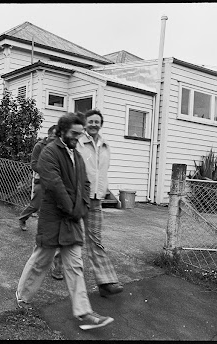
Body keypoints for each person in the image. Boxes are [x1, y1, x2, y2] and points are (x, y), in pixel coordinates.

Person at [15, 113, 114, 330]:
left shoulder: (76, 154)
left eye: (80, 134)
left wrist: (83, 206)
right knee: (40, 261)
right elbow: (55, 185)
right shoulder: (49, 152)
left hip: (71, 219)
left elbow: (85, 183)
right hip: (53, 219)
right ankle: (22, 297)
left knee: (75, 266)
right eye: (73, 134)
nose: (77, 138)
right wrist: (73, 209)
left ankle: (84, 313)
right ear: (62, 131)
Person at [77, 109, 123, 297]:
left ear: (101, 124)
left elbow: (102, 173)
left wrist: (106, 193)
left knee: (95, 241)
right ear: (85, 123)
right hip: (78, 198)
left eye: (97, 121)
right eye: (91, 121)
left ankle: (105, 283)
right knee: (69, 237)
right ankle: (56, 264)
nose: (94, 124)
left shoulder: (105, 146)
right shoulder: (79, 143)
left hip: (96, 200)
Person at [18, 125, 57, 231]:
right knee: (35, 205)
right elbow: (34, 165)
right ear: (49, 135)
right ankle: (22, 218)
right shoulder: (39, 146)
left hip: (54, 181)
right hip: (41, 179)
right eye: (54, 136)